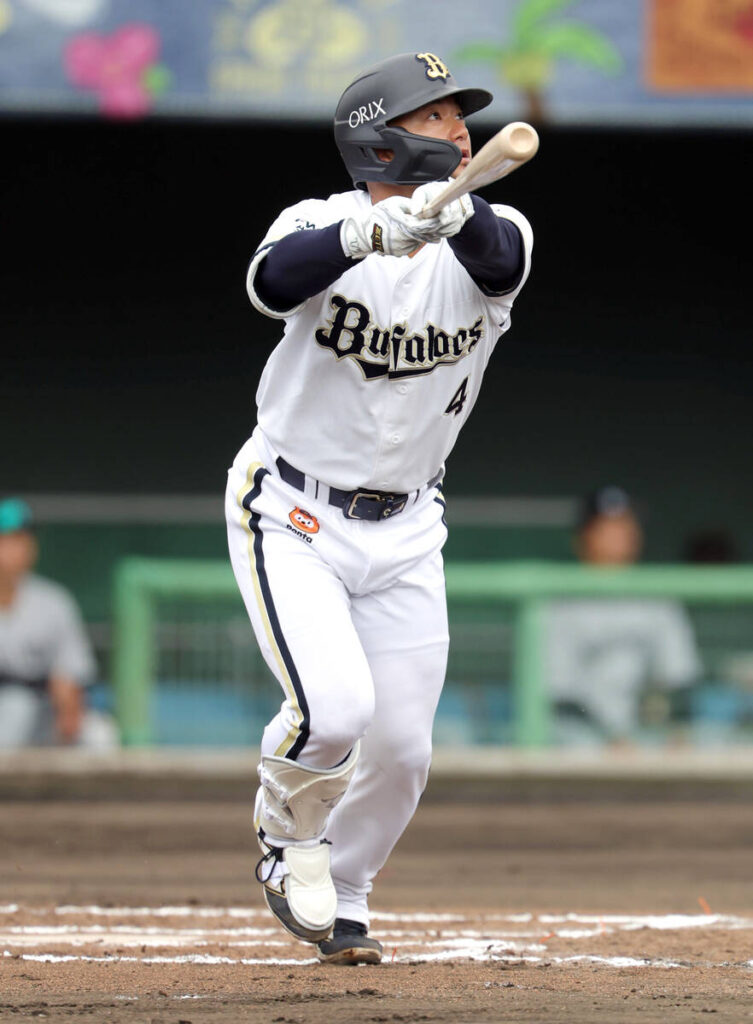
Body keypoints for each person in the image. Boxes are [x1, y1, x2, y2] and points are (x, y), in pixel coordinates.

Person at [225, 51, 533, 965]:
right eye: (436, 117)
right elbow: (270, 283)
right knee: (335, 711)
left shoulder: (495, 223)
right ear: (382, 134)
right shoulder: (317, 220)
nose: (460, 129)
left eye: (457, 116)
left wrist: (448, 210)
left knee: (402, 751)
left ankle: (346, 891)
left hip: (406, 527)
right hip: (292, 509)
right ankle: (289, 847)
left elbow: (499, 260)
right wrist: (367, 238)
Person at [544, 486, 702, 745]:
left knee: (706, 740)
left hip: (646, 733)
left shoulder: (658, 599)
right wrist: (611, 741)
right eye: (608, 526)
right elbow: (560, 697)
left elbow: (679, 680)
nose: (621, 534)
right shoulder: (560, 604)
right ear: (583, 536)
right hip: (580, 734)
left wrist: (675, 732)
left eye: (626, 524)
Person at [0, 497, 109, 748]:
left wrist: (70, 710)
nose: (21, 548)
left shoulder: (52, 603)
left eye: (25, 539)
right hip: (9, 713)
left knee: (98, 735)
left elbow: (69, 675)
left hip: (43, 711)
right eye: (10, 540)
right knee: (15, 709)